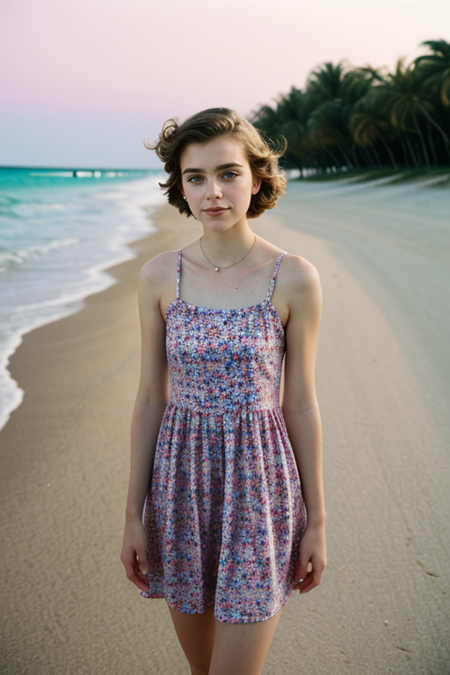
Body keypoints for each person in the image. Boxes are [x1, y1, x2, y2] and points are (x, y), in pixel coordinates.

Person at [120, 108, 326, 675]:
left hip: (259, 489)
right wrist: (133, 514)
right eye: (196, 177)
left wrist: (318, 523)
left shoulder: (294, 277)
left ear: (256, 180)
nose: (213, 192)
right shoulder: (160, 276)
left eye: (228, 173)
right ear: (180, 187)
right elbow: (149, 398)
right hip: (179, 487)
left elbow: (301, 401)